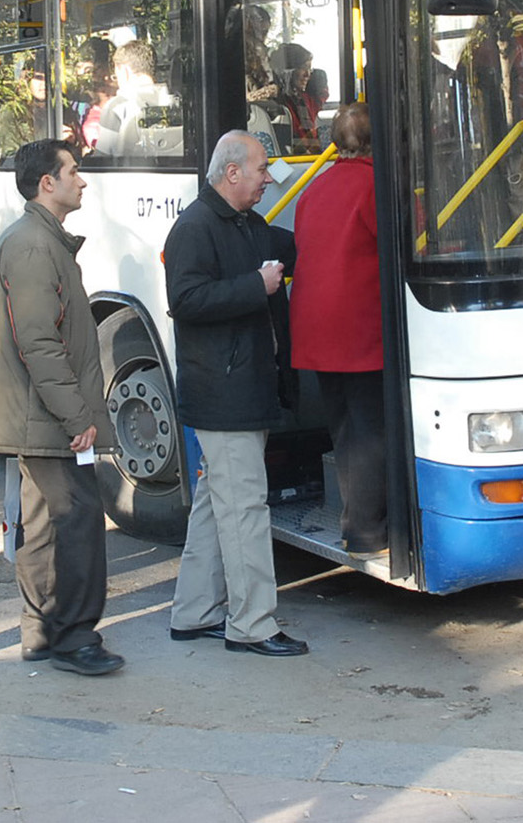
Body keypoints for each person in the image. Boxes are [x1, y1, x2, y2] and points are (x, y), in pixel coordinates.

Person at [0, 139, 122, 677]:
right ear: (47, 183)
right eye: (74, 172)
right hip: (44, 416)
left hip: (38, 413)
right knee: (77, 518)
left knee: (42, 523)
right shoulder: (35, 246)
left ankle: (42, 632)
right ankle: (73, 636)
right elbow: (39, 343)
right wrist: (76, 416)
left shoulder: (40, 239)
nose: (82, 181)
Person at [163, 130, 306, 657]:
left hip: (240, 385)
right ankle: (252, 625)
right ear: (231, 173)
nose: (269, 178)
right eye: (262, 169)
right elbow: (185, 299)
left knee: (215, 501)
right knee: (245, 506)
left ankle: (194, 612)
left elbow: (295, 247)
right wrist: (256, 286)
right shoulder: (195, 228)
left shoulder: (248, 223)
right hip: (223, 391)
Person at [288, 104, 387, 557]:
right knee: (372, 430)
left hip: (315, 331)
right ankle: (367, 532)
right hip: (360, 331)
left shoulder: (315, 188)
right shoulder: (377, 187)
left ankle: (354, 522)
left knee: (345, 429)